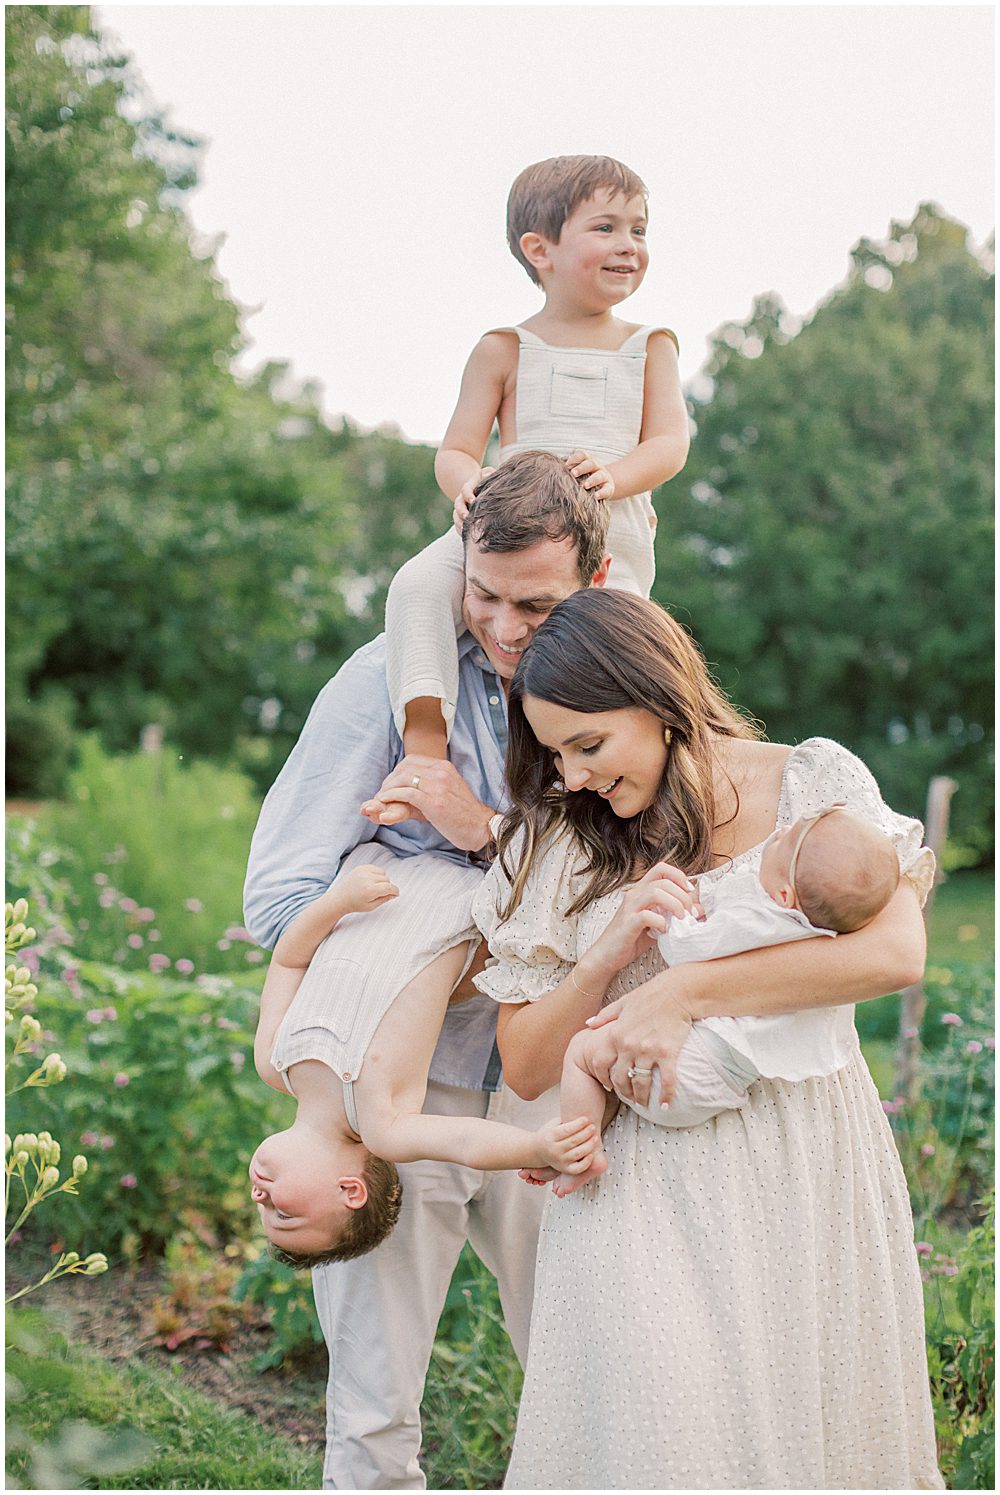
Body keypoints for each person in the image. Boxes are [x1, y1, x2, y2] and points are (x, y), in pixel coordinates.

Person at [472, 587, 943, 1490]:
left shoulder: (811, 781)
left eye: (588, 743)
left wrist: (685, 991)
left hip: (807, 1158)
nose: (571, 776)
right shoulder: (561, 841)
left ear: (655, 698)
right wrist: (606, 957)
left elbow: (894, 949)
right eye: (555, 751)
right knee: (668, 1443)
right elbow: (529, 1062)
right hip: (641, 1185)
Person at [243, 451, 614, 1490]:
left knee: (588, 1372)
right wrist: (437, 952)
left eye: (533, 604)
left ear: (590, 579)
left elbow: (622, 882)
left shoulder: (613, 692)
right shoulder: (380, 681)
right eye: (482, 594)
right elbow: (277, 898)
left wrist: (474, 832)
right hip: (408, 1091)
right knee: (372, 1404)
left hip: (560, 1076)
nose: (500, 626)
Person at [382, 153, 690, 765]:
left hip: (607, 538)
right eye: (605, 228)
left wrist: (616, 476)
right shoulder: (505, 348)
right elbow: (457, 449)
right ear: (539, 249)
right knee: (416, 588)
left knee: (619, 654)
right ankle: (424, 747)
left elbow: (669, 444)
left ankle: (602, 770)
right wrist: (468, 485)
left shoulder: (649, 346)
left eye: (639, 229)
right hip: (503, 534)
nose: (628, 244)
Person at [250, 847, 598, 1260]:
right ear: (350, 1190)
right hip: (468, 893)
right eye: (282, 1212)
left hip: (389, 864)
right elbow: (466, 1141)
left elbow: (289, 961)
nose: (259, 1195)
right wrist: (537, 1148)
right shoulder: (384, 1125)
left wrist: (336, 903)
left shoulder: (274, 1063)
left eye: (260, 1208)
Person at [535, 805, 902, 1197]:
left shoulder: (760, 919)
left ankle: (578, 1155)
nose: (778, 832)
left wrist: (679, 914)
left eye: (786, 839)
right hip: (722, 1078)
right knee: (608, 1066)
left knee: (582, 1052)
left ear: (783, 894)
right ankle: (590, 1135)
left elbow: (686, 949)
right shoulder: (816, 939)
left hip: (688, 1072)